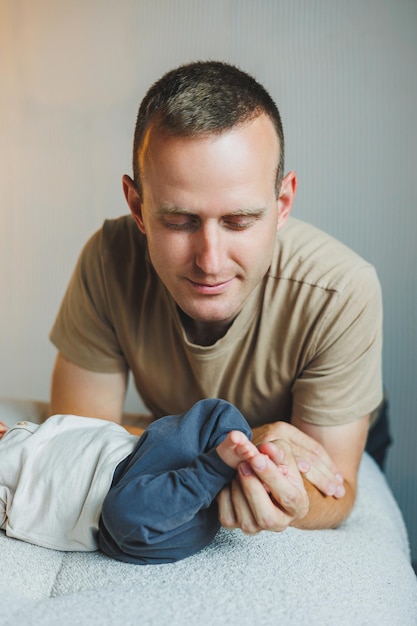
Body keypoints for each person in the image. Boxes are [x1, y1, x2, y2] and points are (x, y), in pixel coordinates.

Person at [49, 60, 389, 535]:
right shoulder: (109, 260)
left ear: (283, 204)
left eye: (240, 220)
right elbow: (77, 440)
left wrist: (269, 484)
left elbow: (334, 487)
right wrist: (233, 448)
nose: (210, 261)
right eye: (180, 221)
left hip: (327, 417)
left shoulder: (340, 291)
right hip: (221, 432)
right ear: (137, 207)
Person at [0, 398, 266, 564]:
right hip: (129, 516)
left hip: (141, 455)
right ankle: (213, 473)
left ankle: (245, 464)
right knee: (124, 512)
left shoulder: (22, 430)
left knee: (214, 413)